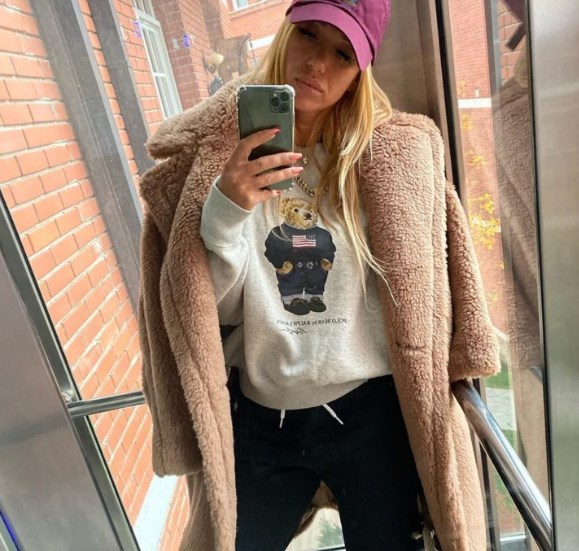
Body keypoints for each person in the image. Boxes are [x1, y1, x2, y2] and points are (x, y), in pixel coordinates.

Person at [138, 1, 500, 550]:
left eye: (342, 53)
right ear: (285, 32)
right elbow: (212, 312)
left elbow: (439, 284)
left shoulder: (390, 159)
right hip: (261, 413)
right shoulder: (213, 161)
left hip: (371, 412)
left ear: (362, 71)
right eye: (308, 34)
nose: (317, 64)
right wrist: (225, 212)